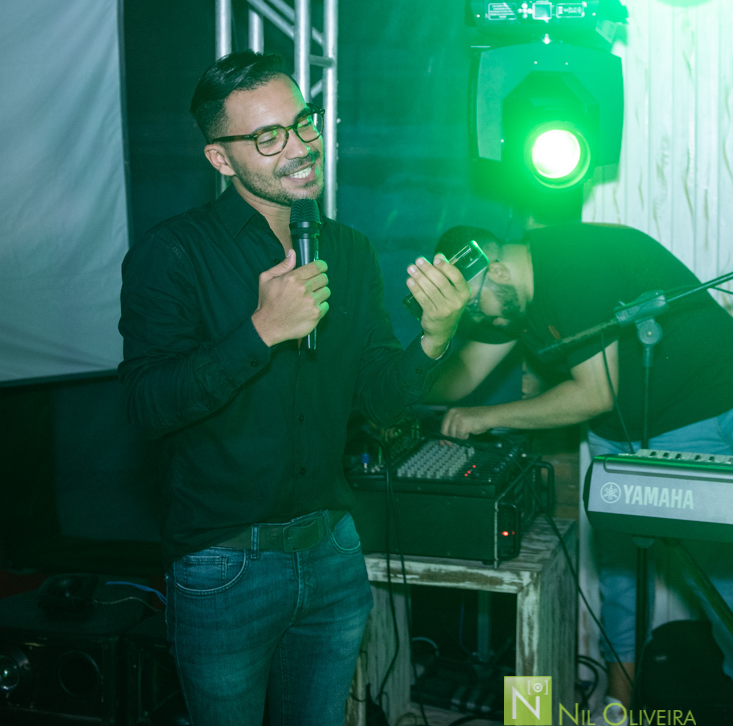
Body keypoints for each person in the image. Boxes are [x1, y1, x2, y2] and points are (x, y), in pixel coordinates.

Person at [118, 51, 470, 725]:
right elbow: (145, 406)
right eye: (268, 137)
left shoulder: (351, 248)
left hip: (333, 553)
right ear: (221, 159)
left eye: (302, 123)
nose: (300, 147)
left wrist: (435, 335)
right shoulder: (175, 252)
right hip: (224, 567)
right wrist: (259, 331)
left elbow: (382, 399)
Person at [427, 223, 733, 724]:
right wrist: (426, 348)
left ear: (495, 270)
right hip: (626, 415)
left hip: (701, 401)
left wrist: (487, 417)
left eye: (475, 309)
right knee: (617, 564)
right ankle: (619, 710)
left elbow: (593, 395)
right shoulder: (511, 291)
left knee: (712, 570)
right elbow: (462, 376)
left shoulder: (571, 268)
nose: (479, 321)